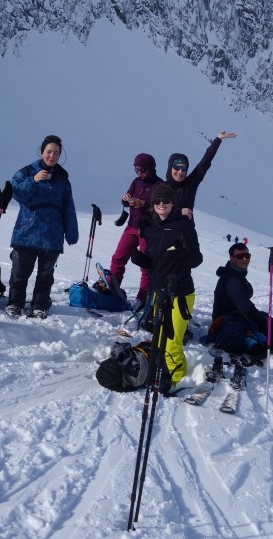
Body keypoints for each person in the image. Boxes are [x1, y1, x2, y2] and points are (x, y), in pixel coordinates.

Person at [131, 183, 202, 393]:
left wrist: (180, 256)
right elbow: (154, 261)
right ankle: (162, 373)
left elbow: (197, 258)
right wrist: (141, 259)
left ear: (173, 203)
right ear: (153, 204)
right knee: (159, 337)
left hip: (181, 293)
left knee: (172, 341)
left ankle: (177, 381)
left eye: (166, 201)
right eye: (158, 201)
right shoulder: (151, 228)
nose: (162, 204)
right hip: (159, 292)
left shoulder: (183, 226)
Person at [4, 135, 79, 319]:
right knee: (20, 272)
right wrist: (33, 180)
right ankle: (15, 303)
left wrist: (71, 233)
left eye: (56, 153)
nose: (52, 156)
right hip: (26, 232)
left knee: (45, 275)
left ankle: (40, 305)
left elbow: (68, 207)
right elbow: (17, 193)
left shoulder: (62, 178)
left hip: (52, 234)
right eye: (49, 151)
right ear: (41, 151)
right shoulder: (27, 172)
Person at [209, 242, 273, 359]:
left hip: (234, 317)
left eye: (247, 255)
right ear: (232, 258)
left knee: (267, 319)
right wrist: (263, 322)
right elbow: (246, 308)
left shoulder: (236, 274)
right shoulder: (232, 280)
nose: (245, 259)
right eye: (240, 256)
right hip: (228, 322)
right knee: (269, 324)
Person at [109, 153, 163, 302]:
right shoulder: (136, 182)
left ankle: (143, 299)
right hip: (132, 226)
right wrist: (125, 199)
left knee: (145, 265)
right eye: (137, 169)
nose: (139, 173)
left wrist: (143, 204)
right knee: (118, 258)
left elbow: (162, 206)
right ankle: (113, 289)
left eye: (142, 170)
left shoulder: (160, 185)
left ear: (151, 168)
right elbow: (126, 200)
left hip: (148, 231)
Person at [164, 131, 236, 220]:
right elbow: (156, 212)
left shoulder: (190, 184)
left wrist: (218, 139)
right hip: (166, 228)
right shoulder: (160, 188)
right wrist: (179, 212)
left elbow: (205, 161)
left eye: (184, 168)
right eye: (177, 167)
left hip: (186, 228)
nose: (180, 171)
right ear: (170, 168)